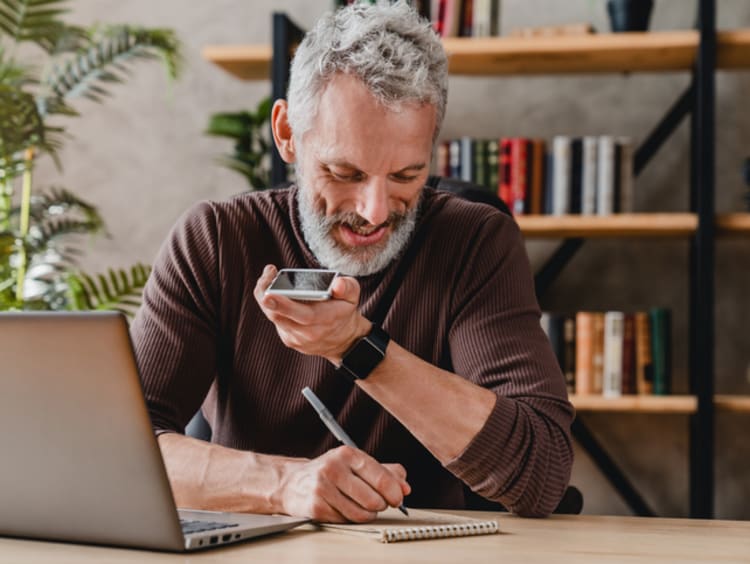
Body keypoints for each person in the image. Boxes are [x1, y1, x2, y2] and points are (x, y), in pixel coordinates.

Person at [131, 0, 573, 523]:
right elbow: (119, 452)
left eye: (407, 176)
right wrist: (285, 486)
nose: (376, 211)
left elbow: (542, 475)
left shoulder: (474, 241)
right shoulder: (216, 240)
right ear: (287, 133)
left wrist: (355, 347)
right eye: (345, 173)